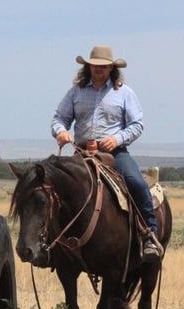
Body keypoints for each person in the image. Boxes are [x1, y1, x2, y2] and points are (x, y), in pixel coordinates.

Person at [50, 45, 163, 263]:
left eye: (103, 66)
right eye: (94, 66)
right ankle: (52, 243)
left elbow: (137, 124)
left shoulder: (124, 93)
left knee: (136, 184)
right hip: (82, 152)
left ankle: (149, 235)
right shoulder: (76, 92)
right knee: (56, 187)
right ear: (88, 67)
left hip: (114, 153)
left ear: (111, 68)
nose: (98, 70)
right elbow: (59, 117)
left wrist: (117, 139)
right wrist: (61, 131)